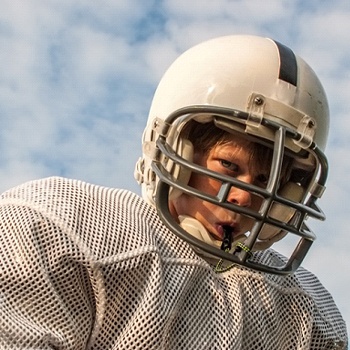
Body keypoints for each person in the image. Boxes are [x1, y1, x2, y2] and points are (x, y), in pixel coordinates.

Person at [0, 35, 347, 349]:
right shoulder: (70, 231)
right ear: (176, 153)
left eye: (265, 182)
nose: (245, 197)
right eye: (228, 165)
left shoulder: (303, 310)